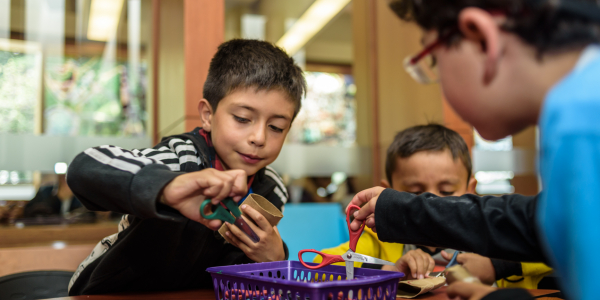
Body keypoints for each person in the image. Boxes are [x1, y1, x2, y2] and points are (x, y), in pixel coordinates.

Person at [350, 0, 600, 299]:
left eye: (434, 61)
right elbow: (539, 221)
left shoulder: (580, 122)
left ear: (481, 37)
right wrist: (401, 209)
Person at [66, 39, 306, 295]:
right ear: (208, 115)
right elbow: (86, 167)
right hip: (108, 292)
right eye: (243, 119)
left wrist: (277, 257)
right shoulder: (178, 160)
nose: (259, 137)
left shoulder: (272, 188)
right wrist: (168, 186)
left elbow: (245, 276)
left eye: (276, 127)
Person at [316, 124, 553, 289]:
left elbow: (565, 244)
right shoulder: (374, 241)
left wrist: (499, 264)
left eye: (447, 191)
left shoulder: (496, 235)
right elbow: (318, 268)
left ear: (471, 189)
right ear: (387, 194)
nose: (431, 204)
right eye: (415, 194)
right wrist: (389, 273)